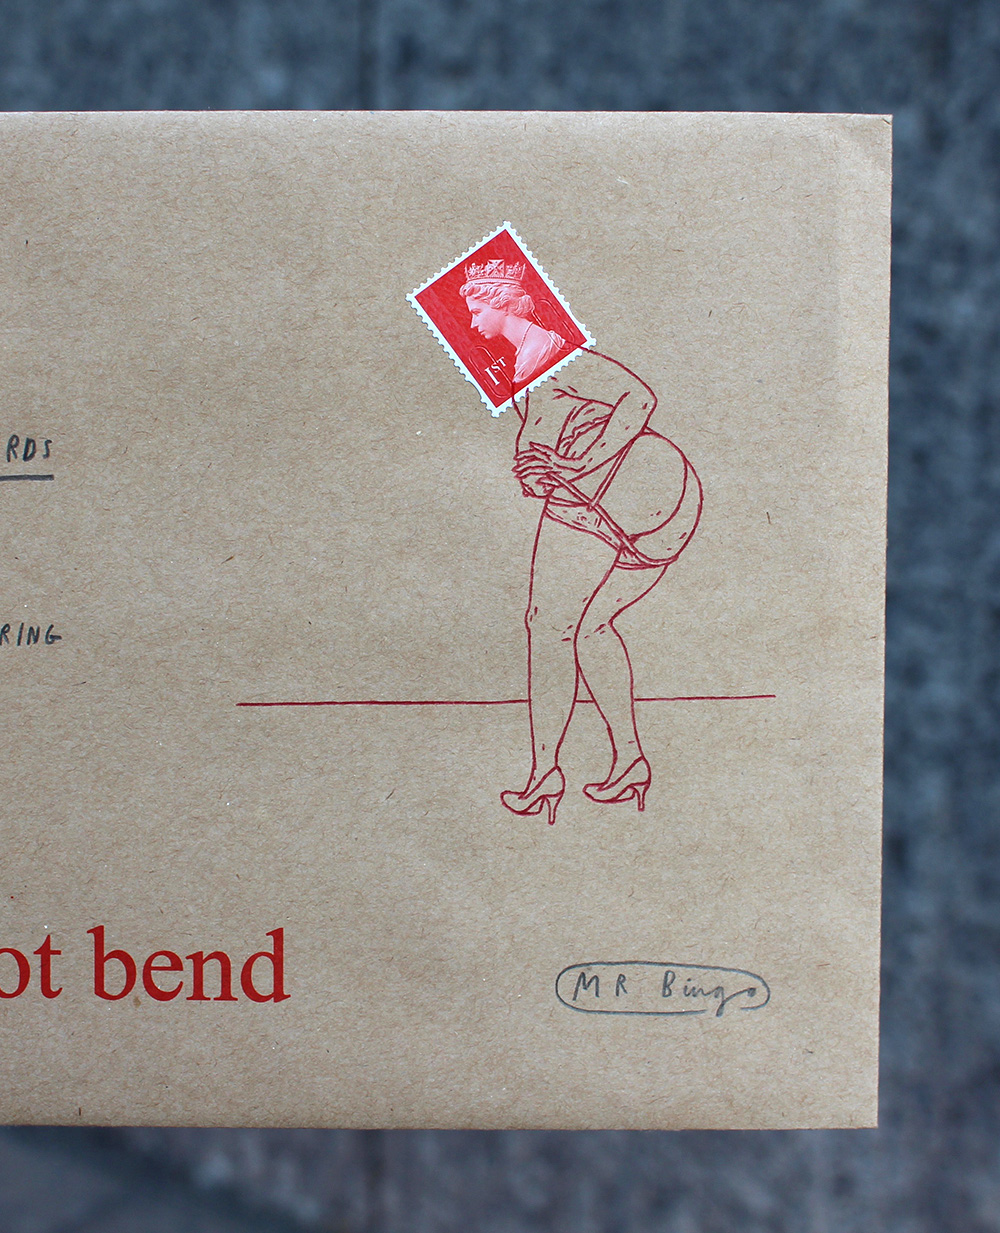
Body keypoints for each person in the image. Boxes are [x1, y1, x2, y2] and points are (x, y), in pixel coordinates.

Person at [459, 264, 702, 826]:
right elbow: (548, 441)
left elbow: (639, 397)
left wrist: (578, 464)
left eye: (477, 309)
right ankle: (630, 763)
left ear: (505, 305)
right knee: (589, 628)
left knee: (547, 626)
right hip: (663, 502)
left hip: (618, 497)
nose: (471, 323)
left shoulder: (555, 356)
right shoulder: (529, 367)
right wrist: (540, 472)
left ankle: (545, 775)